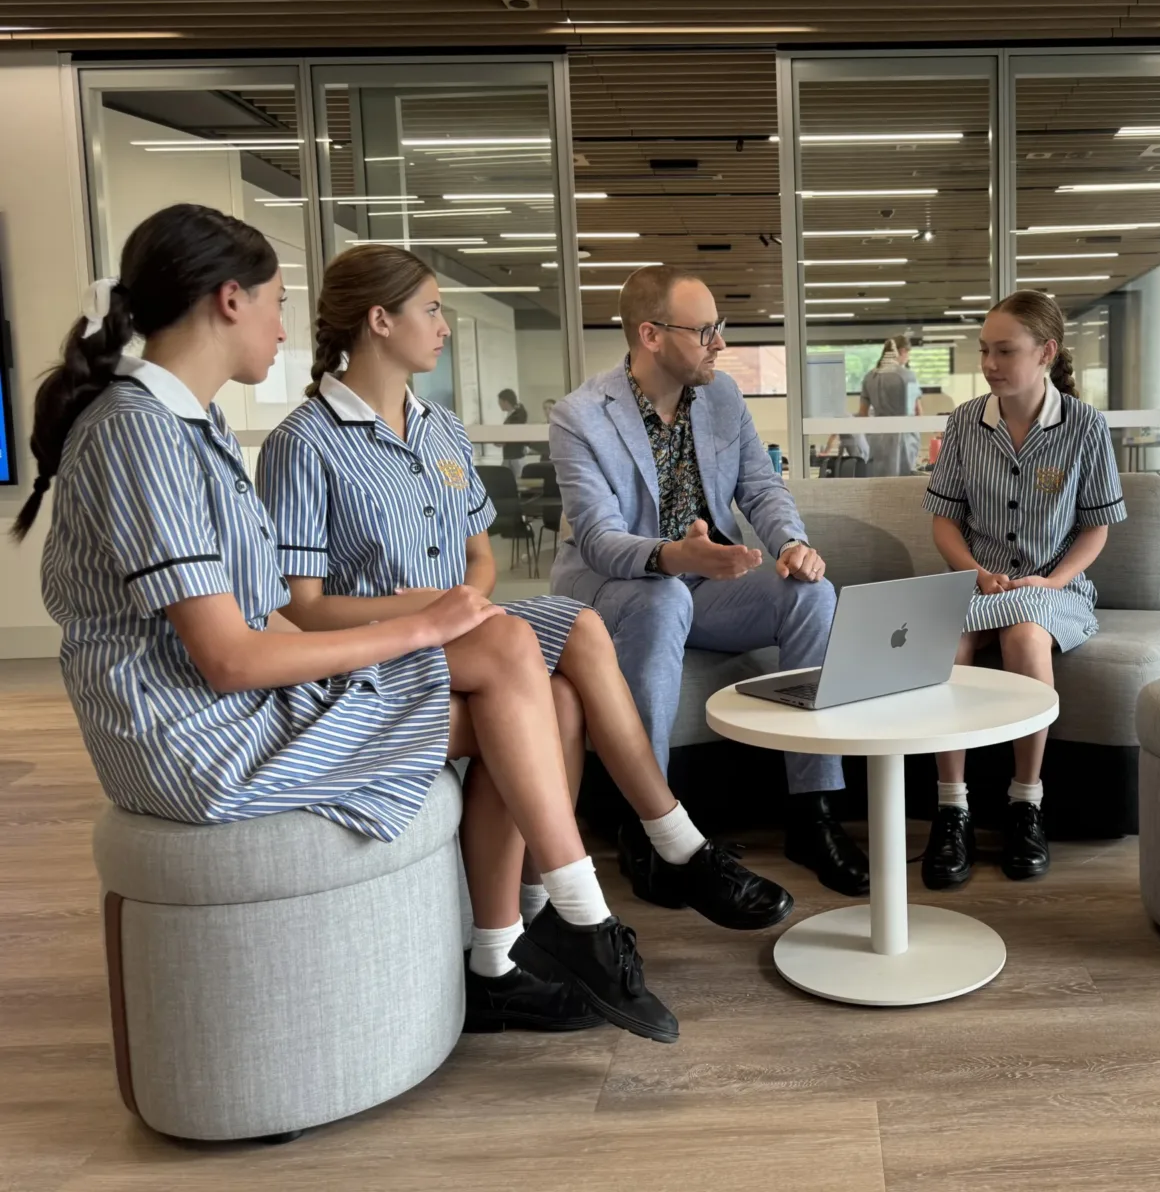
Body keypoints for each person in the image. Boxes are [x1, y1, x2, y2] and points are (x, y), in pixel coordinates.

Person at [17, 205, 677, 1045]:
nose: (285, 326)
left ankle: (513, 950)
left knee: (541, 692)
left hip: (233, 713)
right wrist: (417, 628)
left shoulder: (193, 426)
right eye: (277, 301)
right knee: (520, 667)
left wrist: (426, 623)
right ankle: (566, 924)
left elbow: (245, 635)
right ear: (229, 300)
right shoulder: (141, 436)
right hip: (197, 744)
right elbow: (227, 657)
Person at [255, 244, 793, 960]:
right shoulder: (303, 442)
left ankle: (575, 894)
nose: (445, 327)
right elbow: (302, 610)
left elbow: (479, 560)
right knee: (557, 658)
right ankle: (660, 858)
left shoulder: (440, 428)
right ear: (379, 321)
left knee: (581, 636)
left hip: (458, 630)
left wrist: (460, 609)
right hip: (377, 646)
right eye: (433, 310)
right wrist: (426, 618)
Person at [550, 266, 869, 897]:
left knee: (813, 595)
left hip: (707, 579)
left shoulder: (722, 397)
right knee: (663, 594)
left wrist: (793, 544)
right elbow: (599, 539)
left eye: (718, 328)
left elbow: (760, 487)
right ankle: (649, 829)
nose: (720, 343)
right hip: (614, 587)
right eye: (706, 330)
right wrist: (677, 556)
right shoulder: (581, 416)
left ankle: (813, 812)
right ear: (651, 334)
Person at [919, 290, 1126, 887]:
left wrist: (1053, 579)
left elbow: (1096, 526)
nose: (989, 363)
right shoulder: (964, 422)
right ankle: (952, 808)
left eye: (1004, 350)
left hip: (1052, 584)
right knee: (946, 643)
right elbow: (944, 519)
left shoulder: (1084, 426)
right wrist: (976, 571)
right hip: (980, 580)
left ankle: (1025, 803)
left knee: (1025, 637)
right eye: (985, 350)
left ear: (1046, 353)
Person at [858, 334, 923, 476]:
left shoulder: (869, 377)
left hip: (876, 439)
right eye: (908, 353)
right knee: (902, 484)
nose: (908, 358)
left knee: (878, 483)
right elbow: (918, 411)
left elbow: (862, 414)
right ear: (902, 351)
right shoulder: (907, 376)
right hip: (903, 438)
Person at [498, 388, 528, 477]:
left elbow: (513, 432)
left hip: (516, 455)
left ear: (505, 402)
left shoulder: (519, 414)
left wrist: (503, 441)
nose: (499, 405)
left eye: (500, 402)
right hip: (509, 455)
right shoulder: (511, 414)